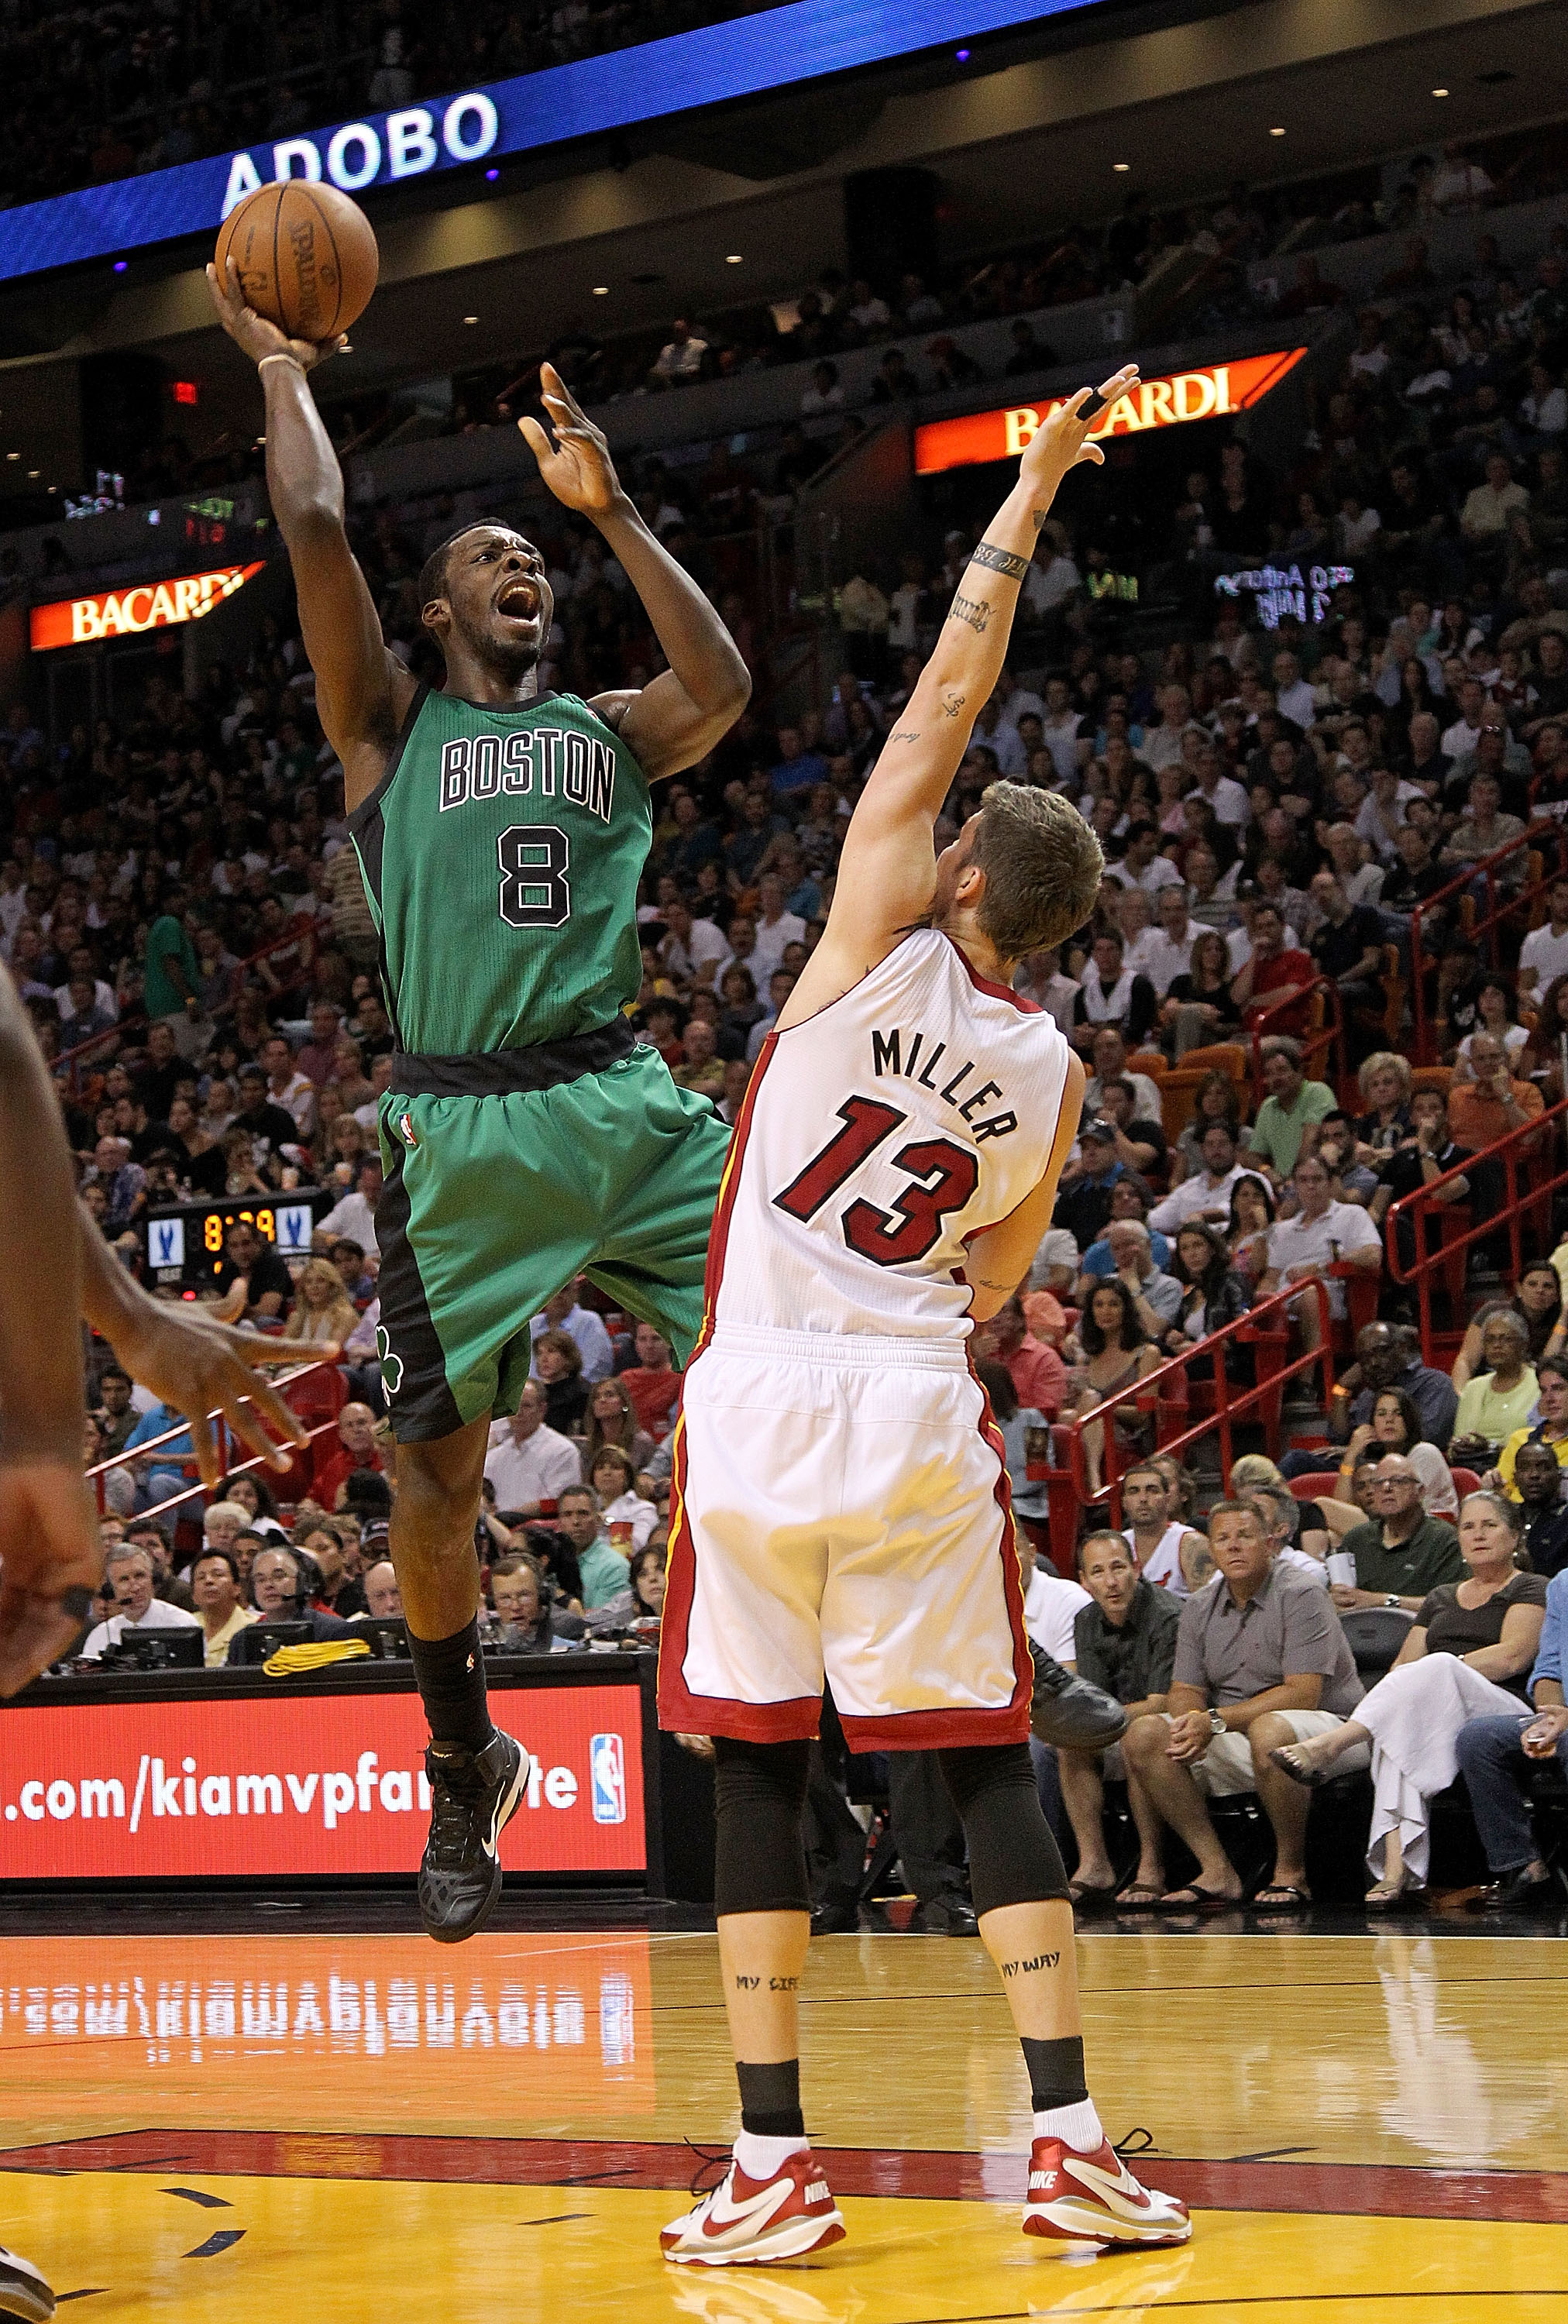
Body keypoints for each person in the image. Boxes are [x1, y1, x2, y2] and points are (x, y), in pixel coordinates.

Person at [657, 369, 1188, 2264]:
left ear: (961, 874)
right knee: (977, 1761)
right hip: (903, 1396)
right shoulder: (1046, 1070)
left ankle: (771, 2164)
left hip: (760, 1396)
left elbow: (946, 690)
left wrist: (1028, 486)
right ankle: (1067, 2142)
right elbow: (995, 1279)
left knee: (759, 1765)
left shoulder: (867, 931)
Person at [208, 263, 751, 1945]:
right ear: (433, 615)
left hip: (631, 1107)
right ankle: (465, 1764)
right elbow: (310, 531)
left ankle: (890, 1674)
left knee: (824, 1330)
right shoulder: (387, 727)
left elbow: (721, 685)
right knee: (424, 1480)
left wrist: (610, 508)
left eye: (531, 562)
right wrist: (284, 371)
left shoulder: (607, 730)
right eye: (489, 560)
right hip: (466, 1138)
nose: (519, 570)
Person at [1271, 1492, 1548, 1906]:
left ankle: (1334, 1744)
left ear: (1514, 1537)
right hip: (1441, 1712)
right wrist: (1425, 1681)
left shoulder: (1529, 1586)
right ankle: (1397, 1873)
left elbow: (1512, 1657)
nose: (1477, 1535)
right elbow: (1402, 1668)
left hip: (1504, 1711)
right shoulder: (1440, 1597)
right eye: (1468, 1526)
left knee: (1431, 1674)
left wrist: (1441, 1671)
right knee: (1399, 1721)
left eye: (1489, 1525)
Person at [1120, 1499, 1368, 1913]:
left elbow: (1302, 1694)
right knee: (1145, 1734)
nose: (1234, 1547)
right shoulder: (1200, 1605)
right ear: (1211, 1551)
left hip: (1332, 1730)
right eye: (1223, 1539)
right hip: (1237, 1729)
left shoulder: (1302, 1592)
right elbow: (1184, 1687)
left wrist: (1214, 1720)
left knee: (1270, 1730)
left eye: (1245, 1536)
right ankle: (1216, 1870)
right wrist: (1190, 1722)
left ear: (1270, 1543)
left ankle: (1291, 1873)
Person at [1058, 1532, 1181, 1907]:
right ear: (1083, 1580)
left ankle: (1151, 1867)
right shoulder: (1086, 1619)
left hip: (1166, 1726)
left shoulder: (1167, 1614)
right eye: (1097, 1572)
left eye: (1118, 1568)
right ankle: (1094, 1863)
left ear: (1136, 1569)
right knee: (1069, 1744)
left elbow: (1162, 1701)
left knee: (1137, 1738)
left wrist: (1100, 1720)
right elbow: (1093, 1697)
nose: (1110, 1582)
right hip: (1118, 1723)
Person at [1455, 1565, 1568, 1907]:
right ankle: (1526, 1869)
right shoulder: (1563, 1584)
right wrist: (1549, 1717)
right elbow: (1548, 1668)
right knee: (1479, 1738)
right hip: (1563, 1717)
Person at [1258, 1151, 1382, 1349]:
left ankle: (1307, 1378)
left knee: (1311, 1293)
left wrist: (1318, 1268)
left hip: (1325, 1295)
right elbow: (1271, 1278)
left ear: (1331, 1183)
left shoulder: (1352, 1214)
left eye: (1317, 1179)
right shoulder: (1282, 1229)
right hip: (1283, 1298)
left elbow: (1373, 1255)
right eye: (1303, 1180)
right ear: (1295, 1186)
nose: (1310, 1186)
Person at [1061, 1280, 1162, 1497]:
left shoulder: (1146, 1353)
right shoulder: (1089, 1356)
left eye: (1114, 1304)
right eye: (1099, 1305)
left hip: (1131, 1433)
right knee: (1066, 1417)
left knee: (1089, 1402)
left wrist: (1101, 1408)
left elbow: (1143, 1415)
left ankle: (1094, 1483)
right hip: (1091, 1426)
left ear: (1126, 1309)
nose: (1106, 1311)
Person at [1328, 1454, 1465, 1611]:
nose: (1386, 1488)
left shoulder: (1444, 1539)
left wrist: (1384, 1601)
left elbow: (1450, 1603)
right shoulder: (1356, 1539)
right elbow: (1335, 1597)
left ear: (1420, 1492)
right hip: (1361, 1630)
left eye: (1399, 1481)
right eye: (1379, 1482)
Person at [1336, 1391, 1457, 1518]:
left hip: (1424, 1530)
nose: (1389, 1420)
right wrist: (1350, 1456)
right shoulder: (1374, 1464)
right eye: (1381, 1414)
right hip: (1387, 1528)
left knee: (1324, 1505)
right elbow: (1341, 1509)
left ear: (1409, 1421)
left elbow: (1402, 1508)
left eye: (1398, 1414)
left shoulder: (1425, 1453)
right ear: (1372, 1424)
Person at [228, 1544, 357, 1659]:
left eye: (279, 1576)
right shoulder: (242, 1641)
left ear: (302, 1582)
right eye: (261, 1579)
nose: (269, 1585)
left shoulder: (334, 1632)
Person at [80, 1545, 203, 1659]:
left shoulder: (183, 1624)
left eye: (140, 1576)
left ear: (153, 1579)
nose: (135, 1587)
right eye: (124, 1580)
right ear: (110, 1589)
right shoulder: (100, 1636)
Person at [1451, 1310, 1541, 1465]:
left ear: (1524, 1344)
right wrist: (1459, 1448)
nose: (1497, 1345)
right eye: (1490, 1340)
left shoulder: (1539, 1384)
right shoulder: (1473, 1388)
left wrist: (1492, 1449)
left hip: (1523, 1468)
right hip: (1474, 1468)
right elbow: (1458, 1444)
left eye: (1506, 1339)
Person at [1245, 1037, 1336, 1185]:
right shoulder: (1267, 1106)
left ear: (1299, 1072)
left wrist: (1293, 1182)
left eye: (1282, 1070)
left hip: (1316, 1182)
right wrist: (1267, 1170)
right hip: (1285, 1187)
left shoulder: (1317, 1092)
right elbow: (1253, 1157)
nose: (1275, 1078)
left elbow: (1310, 1146)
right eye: (1269, 1073)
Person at [484, 1380, 583, 1518]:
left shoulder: (562, 1451)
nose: (518, 1413)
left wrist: (507, 1517)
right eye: (514, 1406)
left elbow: (559, 1502)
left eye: (526, 1406)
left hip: (541, 1530)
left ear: (542, 1409)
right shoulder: (494, 1456)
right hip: (496, 1529)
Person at [1119, 1460, 1209, 1594]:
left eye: (1152, 1490)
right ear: (1124, 1502)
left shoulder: (1191, 1542)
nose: (1143, 1498)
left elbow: (1209, 1607)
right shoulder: (1117, 1545)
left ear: (1167, 1498)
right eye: (1134, 1491)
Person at [1491, 1355, 1568, 1498]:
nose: (1549, 1398)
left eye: (1558, 1389)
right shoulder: (1520, 1439)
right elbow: (1502, 1496)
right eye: (1544, 1391)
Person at [191, 1547, 256, 1667]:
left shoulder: (253, 1627)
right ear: (194, 1595)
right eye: (201, 1578)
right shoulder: (185, 1624)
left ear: (237, 1588)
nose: (208, 1581)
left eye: (218, 1575)